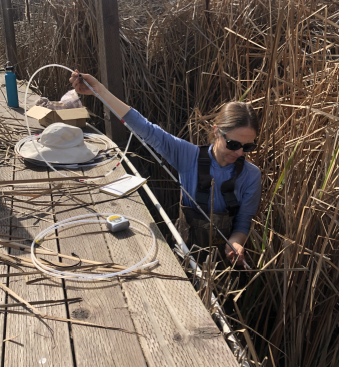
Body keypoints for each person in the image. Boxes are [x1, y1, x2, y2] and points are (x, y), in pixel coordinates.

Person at [70, 71, 261, 267]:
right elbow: (145, 128)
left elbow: (243, 221)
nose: (240, 153)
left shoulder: (251, 176)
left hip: (221, 265)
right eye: (233, 144)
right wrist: (99, 90)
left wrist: (236, 244)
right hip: (184, 255)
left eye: (248, 147)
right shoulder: (187, 156)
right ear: (216, 131)